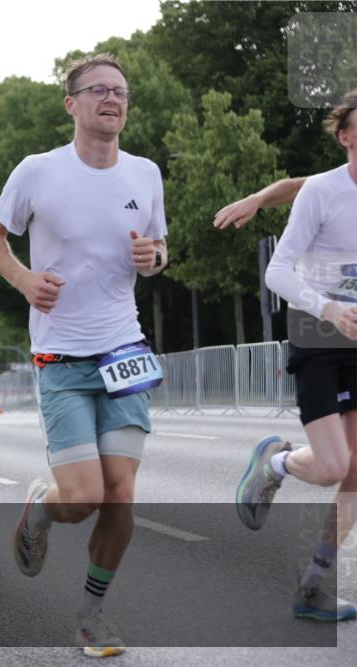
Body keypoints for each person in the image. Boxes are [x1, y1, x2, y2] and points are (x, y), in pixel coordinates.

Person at [0, 54, 168, 658]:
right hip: (60, 355)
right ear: (72, 104)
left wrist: (155, 259)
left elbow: (158, 247)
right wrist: (24, 279)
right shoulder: (38, 171)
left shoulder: (145, 173)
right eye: (100, 91)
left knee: (121, 494)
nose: (113, 100)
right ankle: (41, 509)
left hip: (123, 350)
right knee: (82, 497)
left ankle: (91, 615)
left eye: (122, 92)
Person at [235, 90, 357, 623]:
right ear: (345, 136)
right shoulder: (323, 192)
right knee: (333, 466)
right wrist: (327, 308)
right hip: (318, 329)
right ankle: (276, 461)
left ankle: (315, 582)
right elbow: (277, 272)